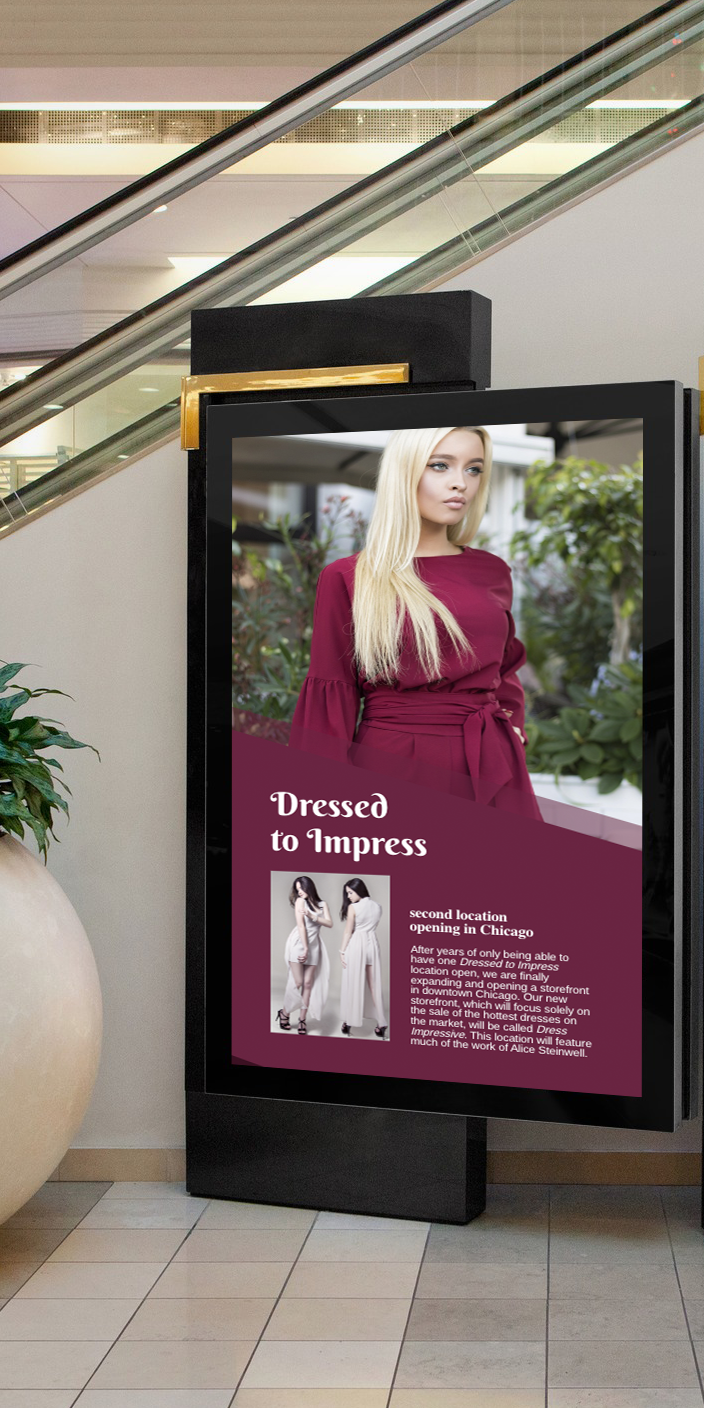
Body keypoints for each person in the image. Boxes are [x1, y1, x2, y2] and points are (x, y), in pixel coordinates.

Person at [291, 427, 541, 819]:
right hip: (394, 764)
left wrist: (513, 728)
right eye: (440, 466)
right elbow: (332, 692)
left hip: (490, 761)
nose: (460, 483)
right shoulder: (349, 577)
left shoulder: (492, 571)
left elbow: (505, 666)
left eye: (474, 469)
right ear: (404, 472)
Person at [279, 876, 332, 1035]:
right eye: (297, 889)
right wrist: (305, 948)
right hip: (298, 944)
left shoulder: (323, 905)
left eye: (302, 888)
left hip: (314, 945)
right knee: (298, 981)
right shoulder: (300, 902)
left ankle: (302, 1020)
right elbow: (301, 926)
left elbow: (329, 923)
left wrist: (312, 915)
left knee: (308, 983)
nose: (300, 892)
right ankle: (285, 1013)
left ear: (310, 887)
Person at [338, 879, 387, 1038]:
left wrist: (342, 950)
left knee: (353, 983)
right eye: (347, 893)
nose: (348, 896)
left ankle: (348, 1021)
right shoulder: (377, 906)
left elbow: (348, 931)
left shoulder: (353, 907)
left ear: (359, 890)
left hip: (357, 945)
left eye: (350, 892)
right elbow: (372, 926)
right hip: (372, 944)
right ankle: (382, 1022)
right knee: (374, 985)